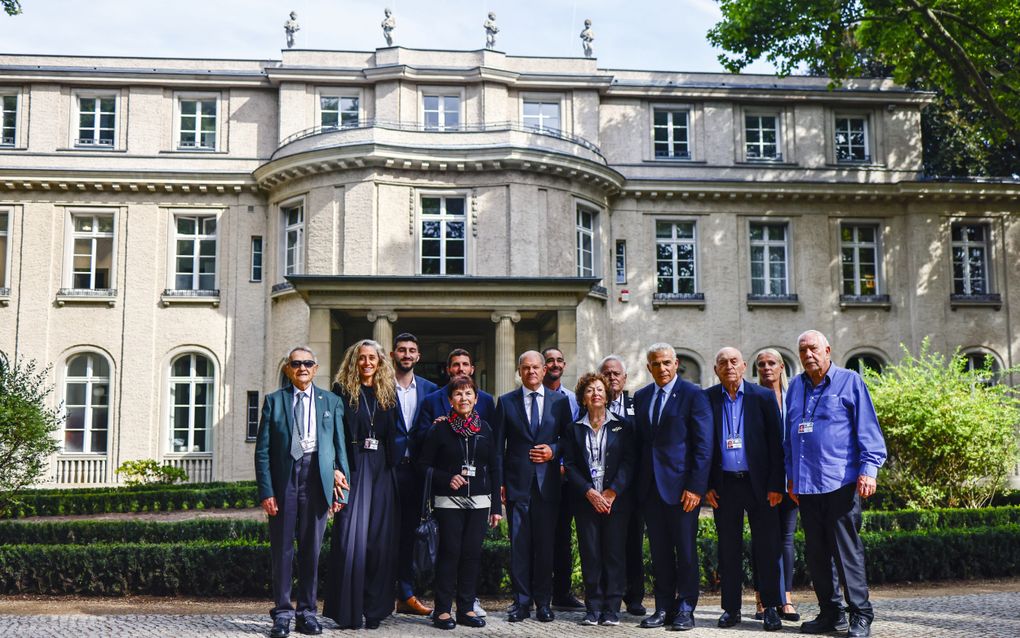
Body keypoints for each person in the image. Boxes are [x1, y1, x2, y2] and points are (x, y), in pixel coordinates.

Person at [787, 330, 887, 638]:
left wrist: (869, 471)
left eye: (813, 349)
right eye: (803, 350)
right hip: (806, 485)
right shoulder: (794, 387)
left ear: (828, 350)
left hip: (840, 482)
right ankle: (831, 614)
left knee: (847, 553)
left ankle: (861, 614)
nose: (808, 355)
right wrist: (790, 477)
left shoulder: (850, 382)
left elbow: (868, 431)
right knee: (817, 555)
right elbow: (787, 437)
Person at [255, 346, 349, 638]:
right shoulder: (274, 401)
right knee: (282, 550)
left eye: (307, 363)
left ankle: (307, 613)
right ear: (288, 369)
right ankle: (282, 614)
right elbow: (263, 452)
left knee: (311, 550)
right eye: (296, 364)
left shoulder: (331, 401)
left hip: (317, 479)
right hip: (285, 479)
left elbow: (339, 446)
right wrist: (267, 491)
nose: (302, 368)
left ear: (316, 367)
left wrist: (341, 490)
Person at [703, 347, 785, 631]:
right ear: (716, 370)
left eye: (734, 361)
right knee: (728, 549)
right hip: (724, 485)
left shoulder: (761, 397)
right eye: (722, 362)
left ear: (743, 365)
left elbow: (777, 444)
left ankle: (771, 607)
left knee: (767, 546)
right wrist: (706, 486)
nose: (728, 366)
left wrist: (777, 484)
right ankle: (731, 609)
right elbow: (702, 447)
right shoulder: (708, 398)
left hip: (759, 485)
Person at [633, 343, 712, 631]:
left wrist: (696, 487)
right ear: (648, 367)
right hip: (651, 489)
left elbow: (703, 446)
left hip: (682, 490)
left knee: (686, 551)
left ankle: (686, 608)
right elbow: (641, 444)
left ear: (676, 363)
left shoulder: (693, 394)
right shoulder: (641, 397)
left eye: (667, 362)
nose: (662, 368)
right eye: (656, 364)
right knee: (660, 552)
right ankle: (663, 607)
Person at [323, 340, 400, 630]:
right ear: (354, 361)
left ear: (380, 362)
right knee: (349, 540)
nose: (367, 363)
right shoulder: (340, 393)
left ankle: (375, 609)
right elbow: (331, 434)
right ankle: (348, 612)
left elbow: (398, 432)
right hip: (352, 467)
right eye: (362, 358)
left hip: (382, 468)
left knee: (380, 542)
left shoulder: (388, 392)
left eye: (372, 358)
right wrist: (334, 470)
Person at [417, 376, 503, 629]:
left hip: (479, 503)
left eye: (468, 394)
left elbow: (495, 468)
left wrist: (496, 507)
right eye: (458, 394)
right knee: (450, 554)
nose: (463, 398)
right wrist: (446, 479)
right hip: (448, 503)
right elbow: (423, 466)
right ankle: (442, 610)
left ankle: (466, 609)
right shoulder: (439, 429)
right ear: (450, 400)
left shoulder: (485, 428)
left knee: (471, 555)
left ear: (476, 399)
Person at [496, 350, 572, 623]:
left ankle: (543, 603)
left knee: (545, 547)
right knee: (520, 547)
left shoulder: (559, 402)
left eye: (536, 367)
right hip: (517, 486)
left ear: (543, 370)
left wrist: (553, 450)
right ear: (519, 371)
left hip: (548, 485)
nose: (531, 372)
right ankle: (521, 602)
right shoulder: (505, 402)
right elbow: (497, 450)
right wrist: (500, 484)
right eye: (525, 368)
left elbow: (568, 440)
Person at [563, 372, 636, 626]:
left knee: (614, 554)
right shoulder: (573, 429)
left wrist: (611, 492)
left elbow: (629, 462)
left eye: (600, 390)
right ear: (583, 397)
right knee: (591, 554)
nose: (595, 394)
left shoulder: (623, 427)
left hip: (615, 503)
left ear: (607, 396)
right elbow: (569, 465)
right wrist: (589, 492)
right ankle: (593, 608)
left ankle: (612, 609)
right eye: (590, 390)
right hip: (586, 501)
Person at [753, 349, 803, 622]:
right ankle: (762, 599)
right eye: (761, 364)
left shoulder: (793, 398)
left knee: (786, 539)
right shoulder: (753, 399)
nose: (766, 368)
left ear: (782, 366)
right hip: (761, 483)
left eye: (771, 363)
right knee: (763, 541)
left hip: (790, 481)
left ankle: (786, 599)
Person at [390, 333, 439, 616]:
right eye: (402, 350)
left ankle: (406, 595)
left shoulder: (432, 390)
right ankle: (381, 593)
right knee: (383, 532)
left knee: (410, 533)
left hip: (417, 471)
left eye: (412, 350)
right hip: (387, 469)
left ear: (418, 356)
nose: (407, 355)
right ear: (394, 354)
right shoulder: (382, 386)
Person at [599, 354, 645, 617]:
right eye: (607, 373)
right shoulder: (590, 406)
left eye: (617, 373)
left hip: (632, 489)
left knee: (633, 544)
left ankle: (635, 598)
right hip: (602, 490)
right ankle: (607, 595)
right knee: (607, 545)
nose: (612, 377)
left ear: (625, 378)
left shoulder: (637, 403)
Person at [543, 347, 584, 612]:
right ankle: (539, 592)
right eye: (550, 361)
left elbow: (575, 439)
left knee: (563, 537)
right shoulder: (532, 397)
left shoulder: (573, 400)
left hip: (566, 480)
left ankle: (562, 593)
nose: (555, 364)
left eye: (559, 360)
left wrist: (563, 465)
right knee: (539, 536)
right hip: (539, 478)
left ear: (564, 365)